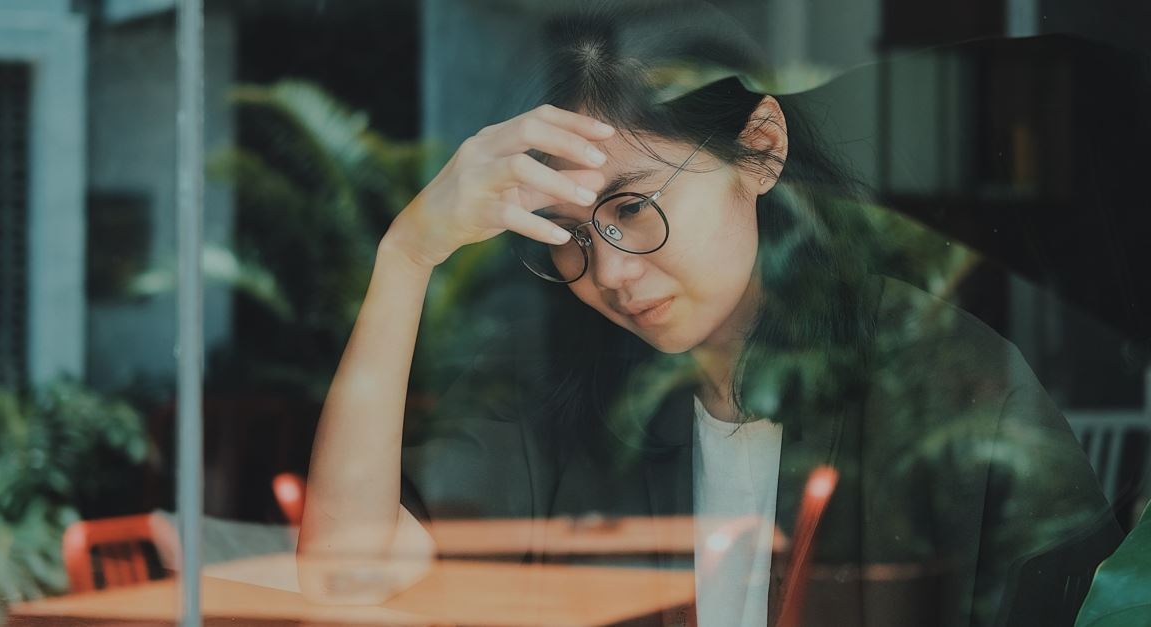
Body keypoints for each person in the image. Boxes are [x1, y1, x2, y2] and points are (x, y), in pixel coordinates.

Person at [297, 11, 1122, 627]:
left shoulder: (950, 383)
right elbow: (348, 571)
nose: (610, 271)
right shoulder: (566, 394)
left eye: (631, 205)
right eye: (572, 236)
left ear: (760, 150)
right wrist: (406, 255)